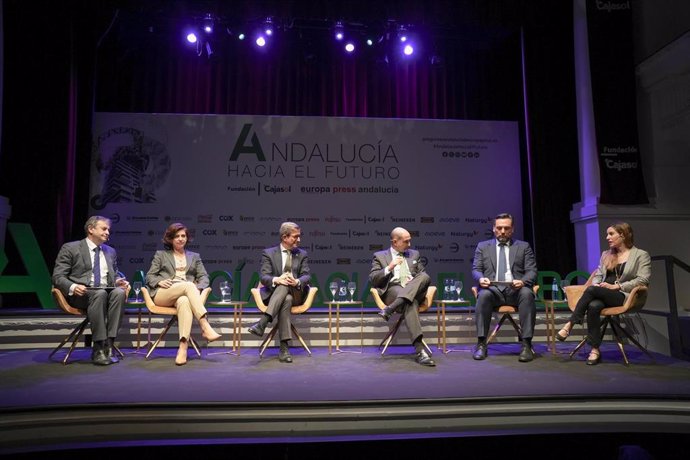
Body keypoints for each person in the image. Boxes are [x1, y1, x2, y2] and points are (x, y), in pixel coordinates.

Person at [556, 222, 651, 365]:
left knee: (592, 291)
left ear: (623, 235)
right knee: (594, 305)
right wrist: (596, 283)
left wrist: (617, 287)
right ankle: (595, 350)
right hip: (603, 293)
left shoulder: (641, 255)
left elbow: (643, 280)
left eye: (611, 234)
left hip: (624, 296)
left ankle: (570, 323)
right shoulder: (606, 254)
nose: (607, 237)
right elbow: (599, 275)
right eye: (607, 234)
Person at [52, 216, 129, 366]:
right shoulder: (71, 248)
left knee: (119, 293)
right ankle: (98, 347)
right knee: (99, 293)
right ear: (91, 229)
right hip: (81, 295)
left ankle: (109, 344)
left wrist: (119, 280)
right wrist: (73, 287)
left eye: (109, 230)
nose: (108, 232)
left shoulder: (110, 251)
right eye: (104, 229)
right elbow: (57, 276)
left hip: (105, 293)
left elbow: (115, 273)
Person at [145, 222, 221, 365]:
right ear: (170, 239)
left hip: (185, 294)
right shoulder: (161, 255)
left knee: (185, 301)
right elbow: (149, 276)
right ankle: (204, 325)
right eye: (177, 236)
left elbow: (204, 277)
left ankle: (183, 347)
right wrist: (159, 282)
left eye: (183, 236)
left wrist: (197, 288)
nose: (181, 239)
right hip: (164, 293)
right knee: (187, 285)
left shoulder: (194, 256)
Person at [472, 213, 538, 362]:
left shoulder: (523, 246)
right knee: (483, 295)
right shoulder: (483, 247)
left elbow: (532, 271)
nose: (502, 231)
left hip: (516, 290)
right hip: (493, 291)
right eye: (499, 228)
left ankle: (526, 344)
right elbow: (476, 269)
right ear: (494, 228)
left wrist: (523, 281)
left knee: (527, 294)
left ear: (512, 229)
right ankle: (481, 344)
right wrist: (480, 278)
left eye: (506, 228)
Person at [370, 227, 436, 367]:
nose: (409, 245)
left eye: (410, 241)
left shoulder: (414, 254)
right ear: (395, 242)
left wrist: (412, 281)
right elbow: (374, 279)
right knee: (409, 302)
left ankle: (390, 309)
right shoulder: (380, 256)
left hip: (413, 290)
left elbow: (422, 277)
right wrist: (389, 267)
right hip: (393, 291)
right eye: (406, 242)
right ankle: (420, 351)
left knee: (424, 276)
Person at [247, 222, 311, 363]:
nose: (299, 240)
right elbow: (264, 277)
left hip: (297, 293)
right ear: (284, 237)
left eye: (299, 236)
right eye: (295, 237)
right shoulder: (269, 253)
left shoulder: (302, 254)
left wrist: (297, 281)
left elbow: (307, 276)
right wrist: (277, 279)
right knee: (285, 297)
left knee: (287, 288)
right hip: (276, 296)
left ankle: (263, 322)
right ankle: (284, 348)